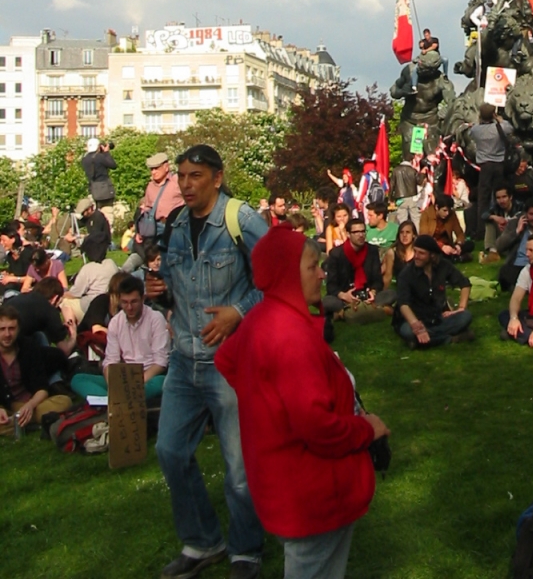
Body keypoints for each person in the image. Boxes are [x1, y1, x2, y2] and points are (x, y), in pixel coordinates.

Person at [216, 224, 389, 579]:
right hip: (310, 495)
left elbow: (227, 360)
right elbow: (319, 428)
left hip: (280, 481)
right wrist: (367, 430)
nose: (322, 273)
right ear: (285, 273)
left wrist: (266, 405)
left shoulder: (262, 318)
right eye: (312, 266)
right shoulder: (289, 335)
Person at [152, 144, 269, 579]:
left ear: (217, 178)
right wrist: (158, 291)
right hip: (184, 359)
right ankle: (202, 542)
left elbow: (277, 277)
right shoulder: (176, 225)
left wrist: (238, 312)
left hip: (230, 363)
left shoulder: (242, 219)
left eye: (195, 175)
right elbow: (175, 284)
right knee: (169, 451)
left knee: (239, 468)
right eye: (181, 176)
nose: (185, 184)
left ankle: (245, 550)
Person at [70, 273, 169, 400]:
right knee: (79, 379)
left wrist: (137, 383)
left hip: (149, 377)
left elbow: (160, 362)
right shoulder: (116, 322)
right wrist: (113, 383)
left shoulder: (156, 319)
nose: (129, 307)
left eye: (134, 302)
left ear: (142, 299)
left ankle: (113, 401)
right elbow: (111, 360)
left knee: (162, 383)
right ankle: (111, 401)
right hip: (124, 378)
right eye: (125, 302)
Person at [0, 302, 72, 433]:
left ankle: (18, 421)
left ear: (18, 329)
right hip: (4, 406)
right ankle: (21, 422)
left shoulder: (28, 347)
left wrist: (30, 406)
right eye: (2, 329)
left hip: (31, 403)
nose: (7, 334)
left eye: (11, 329)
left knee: (64, 402)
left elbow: (42, 388)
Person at [394, 234, 473, 348]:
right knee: (408, 331)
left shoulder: (443, 266)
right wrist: (417, 327)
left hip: (437, 318)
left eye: (421, 253)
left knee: (465, 316)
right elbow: (403, 304)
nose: (416, 256)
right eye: (415, 251)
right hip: (414, 319)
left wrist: (461, 308)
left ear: (432, 255)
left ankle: (424, 341)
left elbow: (465, 284)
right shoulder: (406, 274)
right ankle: (450, 338)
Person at [323, 217, 396, 318]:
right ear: (348, 234)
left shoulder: (372, 251)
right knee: (327, 301)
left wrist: (373, 292)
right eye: (356, 232)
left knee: (392, 294)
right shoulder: (336, 254)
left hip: (366, 294)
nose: (361, 235)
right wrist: (344, 295)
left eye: (363, 231)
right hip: (345, 296)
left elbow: (377, 280)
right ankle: (376, 309)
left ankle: (344, 313)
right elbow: (331, 285)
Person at [467, 103, 513, 239]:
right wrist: (500, 119)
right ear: (493, 114)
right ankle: (501, 224)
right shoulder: (500, 128)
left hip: (485, 167)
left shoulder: (476, 130)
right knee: (500, 196)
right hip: (499, 165)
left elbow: (470, 132)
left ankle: (482, 229)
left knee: (483, 198)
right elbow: (510, 128)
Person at [6, 277, 77, 353]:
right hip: (11, 349)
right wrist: (73, 335)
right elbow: (64, 350)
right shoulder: (49, 309)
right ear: (55, 298)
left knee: (38, 335)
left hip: (6, 340)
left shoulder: (21, 297)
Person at [136, 153, 184, 251]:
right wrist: (140, 231)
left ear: (166, 167)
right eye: (151, 169)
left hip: (176, 226)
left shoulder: (178, 182)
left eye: (156, 168)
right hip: (156, 228)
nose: (153, 172)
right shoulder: (150, 186)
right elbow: (147, 209)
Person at [67, 236, 119, 316]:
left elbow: (75, 293)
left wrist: (63, 294)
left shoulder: (87, 268)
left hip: (92, 306)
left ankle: (72, 327)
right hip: (111, 304)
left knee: (66, 303)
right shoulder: (111, 263)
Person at [419, 194, 474, 261]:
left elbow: (460, 233)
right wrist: (442, 246)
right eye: (444, 210)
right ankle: (456, 258)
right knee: (435, 253)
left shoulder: (451, 215)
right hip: (433, 246)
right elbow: (425, 237)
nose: (447, 213)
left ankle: (454, 256)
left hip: (448, 245)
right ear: (437, 207)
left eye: (448, 210)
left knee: (470, 244)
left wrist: (458, 245)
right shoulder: (426, 214)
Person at [481, 182, 523, 256]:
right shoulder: (496, 208)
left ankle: (494, 252)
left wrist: (507, 223)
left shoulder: (519, 206)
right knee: (490, 221)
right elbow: (484, 215)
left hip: (514, 237)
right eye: (498, 198)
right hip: (501, 237)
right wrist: (495, 218)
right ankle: (492, 250)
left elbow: (522, 217)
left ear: (510, 197)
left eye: (504, 197)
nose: (501, 201)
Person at [81, 138, 117, 209]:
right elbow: (113, 165)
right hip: (105, 190)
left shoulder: (84, 159)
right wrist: (106, 153)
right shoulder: (100, 157)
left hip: (93, 189)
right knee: (107, 212)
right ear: (98, 146)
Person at [0, 223, 35, 290]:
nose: (1, 243)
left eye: (4, 240)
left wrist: (13, 279)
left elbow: (33, 278)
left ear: (13, 240)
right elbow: (13, 273)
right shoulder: (10, 256)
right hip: (15, 286)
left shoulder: (27, 254)